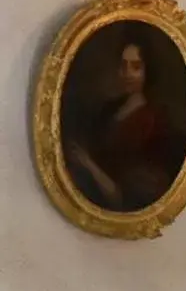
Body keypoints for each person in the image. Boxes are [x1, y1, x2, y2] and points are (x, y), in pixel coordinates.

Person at [66, 39, 179, 211]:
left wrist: (87, 163)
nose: (127, 74)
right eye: (123, 66)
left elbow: (124, 197)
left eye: (136, 67)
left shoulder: (154, 120)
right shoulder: (108, 109)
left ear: (148, 72)